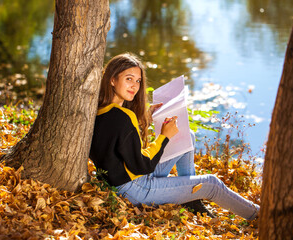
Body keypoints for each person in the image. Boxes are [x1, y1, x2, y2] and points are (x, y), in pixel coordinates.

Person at [89, 53, 259, 220]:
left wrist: (145, 118)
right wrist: (164, 136)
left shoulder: (100, 111)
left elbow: (118, 143)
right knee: (211, 184)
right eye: (129, 78)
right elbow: (143, 165)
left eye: (138, 81)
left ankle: (191, 200)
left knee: (187, 137)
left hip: (120, 182)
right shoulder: (124, 117)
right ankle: (259, 215)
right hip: (135, 189)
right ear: (112, 79)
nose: (134, 85)